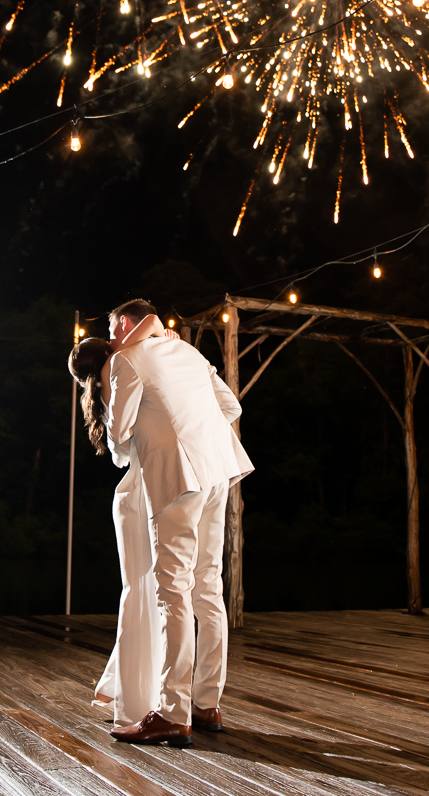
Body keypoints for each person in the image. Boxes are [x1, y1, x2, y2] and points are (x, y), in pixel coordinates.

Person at [104, 299, 254, 748]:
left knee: (173, 591)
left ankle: (172, 713)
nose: (111, 336)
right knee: (208, 584)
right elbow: (231, 407)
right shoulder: (187, 351)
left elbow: (117, 440)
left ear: (125, 323)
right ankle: (207, 703)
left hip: (176, 479)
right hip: (216, 471)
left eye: (112, 327)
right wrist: (192, 430)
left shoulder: (125, 360)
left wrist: (155, 441)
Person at [68, 313, 177, 726]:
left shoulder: (110, 382)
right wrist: (161, 334)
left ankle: (122, 684)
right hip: (137, 495)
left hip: (140, 491)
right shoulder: (122, 370)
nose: (118, 341)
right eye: (110, 340)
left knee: (143, 589)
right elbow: (149, 321)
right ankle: (132, 697)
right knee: (140, 590)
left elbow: (118, 451)